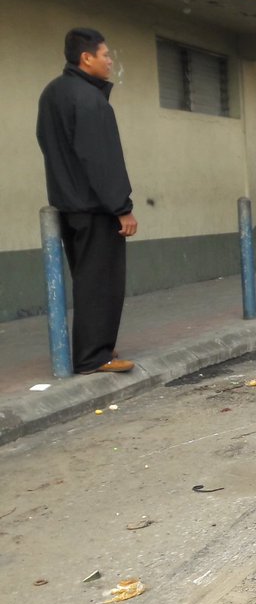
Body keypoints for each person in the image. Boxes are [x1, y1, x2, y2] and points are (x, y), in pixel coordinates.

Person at [36, 28, 137, 375]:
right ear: (86, 58)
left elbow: (48, 143)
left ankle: (92, 349)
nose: (110, 62)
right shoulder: (89, 100)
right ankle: (94, 356)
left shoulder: (52, 93)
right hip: (95, 206)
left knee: (87, 278)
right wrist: (121, 207)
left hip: (67, 203)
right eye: (106, 55)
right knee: (102, 281)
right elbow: (101, 158)